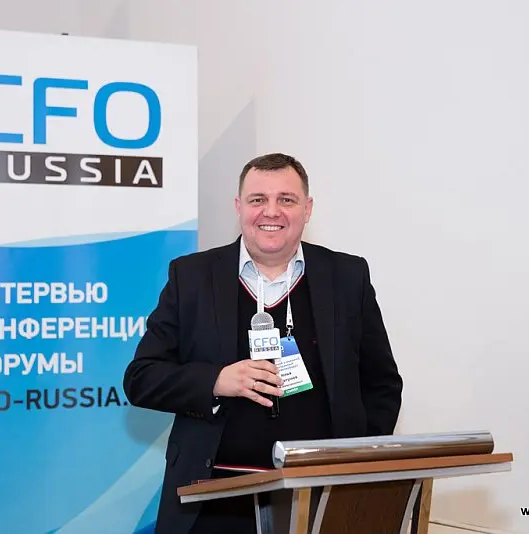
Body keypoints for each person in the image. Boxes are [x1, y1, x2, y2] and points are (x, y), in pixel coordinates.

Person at [123, 153, 403, 534]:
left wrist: (354, 469)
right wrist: (216, 381)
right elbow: (141, 377)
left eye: (286, 199)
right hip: (212, 503)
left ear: (307, 209)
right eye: (258, 199)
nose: (271, 211)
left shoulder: (347, 277)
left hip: (319, 500)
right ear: (239, 207)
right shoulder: (191, 277)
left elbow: (382, 385)